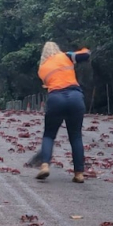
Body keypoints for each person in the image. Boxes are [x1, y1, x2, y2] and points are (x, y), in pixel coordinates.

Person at [35, 42, 91, 183]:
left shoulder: (42, 69)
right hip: (75, 97)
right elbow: (85, 55)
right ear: (57, 49)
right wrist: (85, 49)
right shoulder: (66, 56)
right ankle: (79, 173)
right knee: (76, 136)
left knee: (49, 135)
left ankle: (45, 165)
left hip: (56, 99)